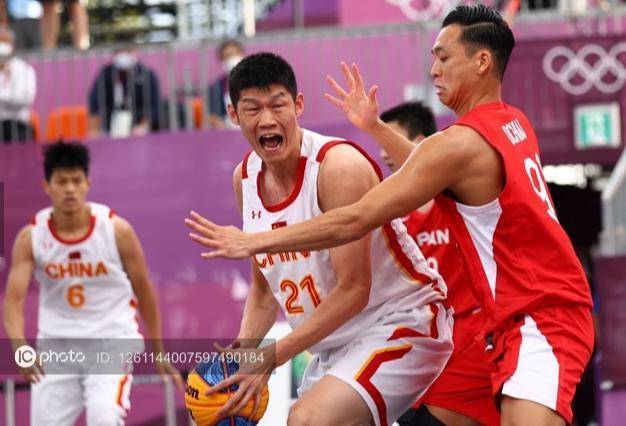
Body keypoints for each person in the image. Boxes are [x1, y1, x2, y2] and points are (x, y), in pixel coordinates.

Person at [185, 5, 595, 425]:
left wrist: (252, 241)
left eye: (443, 56)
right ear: (235, 114)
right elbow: (434, 166)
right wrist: (377, 127)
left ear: (482, 62)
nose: (433, 68)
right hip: (494, 322)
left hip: (533, 314)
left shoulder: (423, 150)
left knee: (309, 420)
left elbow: (354, 219)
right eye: (433, 57)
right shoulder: (509, 123)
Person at [187, 52, 453, 426]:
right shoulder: (244, 178)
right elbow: (265, 292)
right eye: (252, 109)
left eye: (277, 105)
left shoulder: (337, 167)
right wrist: (245, 356)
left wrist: (272, 356)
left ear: (297, 105)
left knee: (309, 420)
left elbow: (355, 289)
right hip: (337, 345)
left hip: (401, 320)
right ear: (233, 115)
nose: (267, 119)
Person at [3, 141, 182, 425]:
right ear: (47, 186)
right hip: (57, 347)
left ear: (88, 183)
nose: (70, 189)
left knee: (104, 417)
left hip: (111, 340)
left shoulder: (116, 230)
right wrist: (20, 348)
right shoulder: (31, 237)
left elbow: (144, 290)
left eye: (76, 180)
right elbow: (12, 301)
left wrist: (158, 350)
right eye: (62, 182)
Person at [379, 102, 499, 426]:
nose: (384, 153)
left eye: (390, 139)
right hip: (419, 347)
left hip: (474, 340)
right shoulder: (390, 214)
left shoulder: (464, 198)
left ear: (422, 142)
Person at [88, 46, 162, 138]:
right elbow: (94, 103)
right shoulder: (106, 73)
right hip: (111, 126)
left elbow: (155, 103)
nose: (123, 55)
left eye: (127, 51)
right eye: (119, 51)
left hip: (140, 128)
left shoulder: (146, 73)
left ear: (135, 52)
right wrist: (95, 131)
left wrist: (143, 127)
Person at [0, 26, 36, 143]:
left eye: (5, 41)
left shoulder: (23, 69)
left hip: (17, 125)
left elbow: (22, 99)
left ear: (12, 45)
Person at [207, 39, 244, 129]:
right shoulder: (216, 87)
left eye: (234, 54)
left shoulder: (257, 80)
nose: (231, 58)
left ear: (242, 54)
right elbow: (212, 116)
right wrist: (222, 125)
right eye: (227, 56)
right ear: (222, 60)